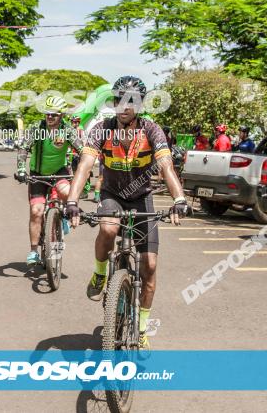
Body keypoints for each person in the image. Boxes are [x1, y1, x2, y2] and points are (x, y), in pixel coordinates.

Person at [66, 76, 188, 350]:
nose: (125, 107)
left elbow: (167, 166)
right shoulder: (102, 129)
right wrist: (72, 201)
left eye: (131, 101)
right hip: (112, 195)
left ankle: (142, 329)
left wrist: (179, 198)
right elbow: (85, 166)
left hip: (142, 198)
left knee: (150, 266)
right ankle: (100, 273)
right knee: (108, 228)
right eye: (120, 100)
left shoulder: (152, 130)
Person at [15, 96, 84, 266]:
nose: (50, 117)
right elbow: (24, 148)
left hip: (59, 172)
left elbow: (82, 150)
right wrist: (22, 169)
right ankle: (33, 251)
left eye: (54, 114)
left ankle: (63, 218)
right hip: (38, 174)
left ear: (61, 115)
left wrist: (84, 172)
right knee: (37, 211)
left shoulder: (67, 130)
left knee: (67, 193)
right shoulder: (37, 128)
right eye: (47, 114)